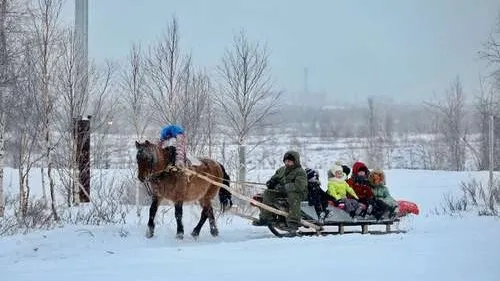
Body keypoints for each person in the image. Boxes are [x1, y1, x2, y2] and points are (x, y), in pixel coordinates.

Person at [252, 151, 308, 232]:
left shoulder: (300, 172)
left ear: (295, 161)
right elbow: (275, 178)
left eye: (290, 161)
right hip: (283, 192)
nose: (287, 163)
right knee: (268, 193)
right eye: (286, 161)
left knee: (293, 196)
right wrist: (271, 182)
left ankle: (293, 222)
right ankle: (266, 218)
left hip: (299, 193)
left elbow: (299, 186)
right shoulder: (281, 170)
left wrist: (285, 187)